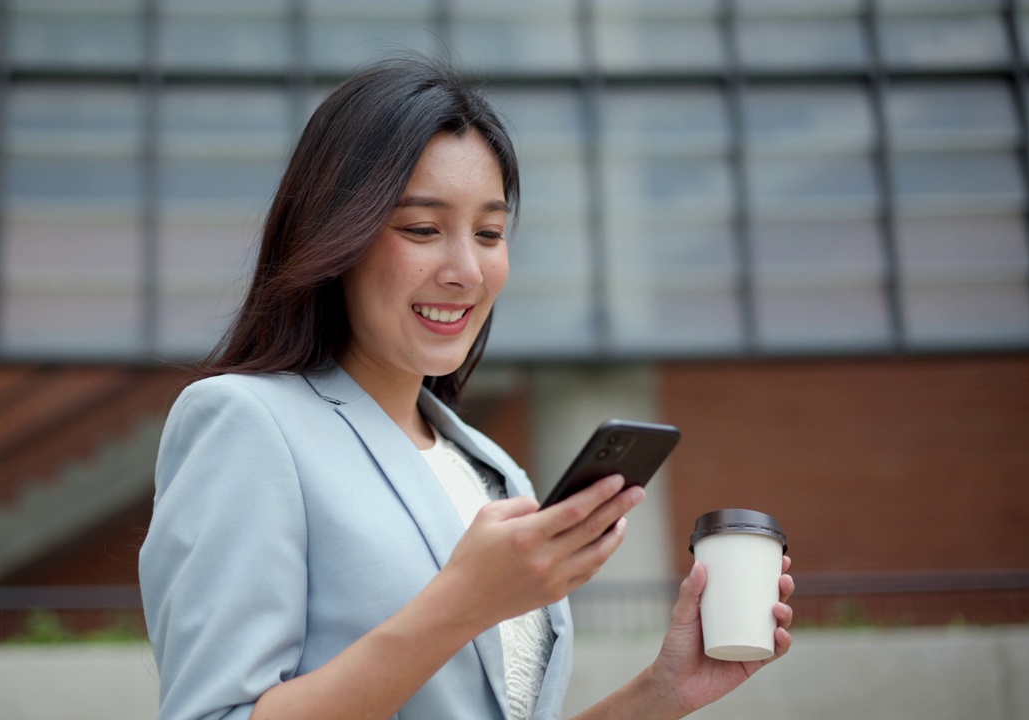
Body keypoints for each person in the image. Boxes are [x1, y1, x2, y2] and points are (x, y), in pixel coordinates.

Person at [138, 56, 795, 720]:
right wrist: (463, 603)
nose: (466, 271)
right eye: (423, 229)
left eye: (489, 233)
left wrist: (662, 691)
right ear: (336, 236)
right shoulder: (245, 422)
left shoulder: (487, 468)